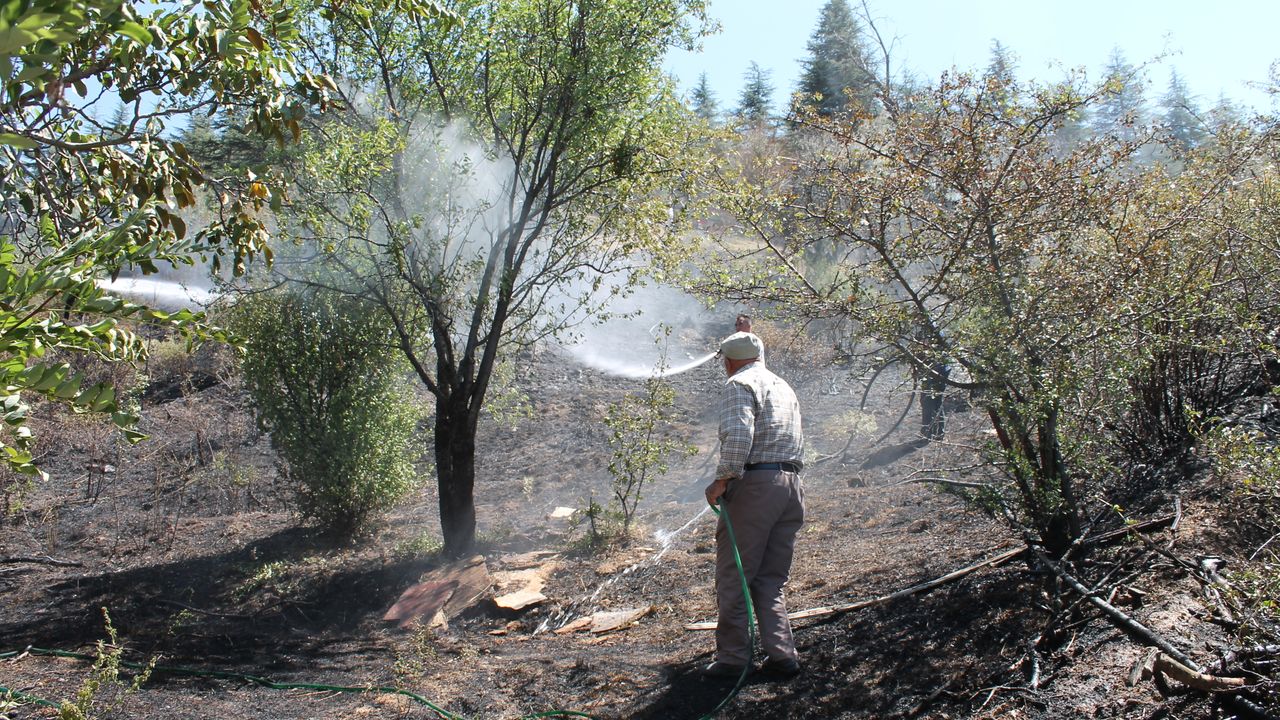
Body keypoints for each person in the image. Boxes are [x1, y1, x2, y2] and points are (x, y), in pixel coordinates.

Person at [702, 331, 805, 679]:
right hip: (791, 487)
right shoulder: (782, 385)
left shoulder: (738, 384)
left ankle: (732, 659)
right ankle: (782, 656)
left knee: (735, 576)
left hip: (756, 488)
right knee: (770, 579)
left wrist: (722, 480)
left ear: (729, 361)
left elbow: (739, 434)